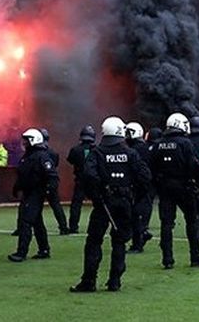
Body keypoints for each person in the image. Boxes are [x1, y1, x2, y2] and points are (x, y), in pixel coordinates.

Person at [71, 117, 152, 293]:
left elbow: (88, 175)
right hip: (124, 202)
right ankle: (115, 281)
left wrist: (96, 195)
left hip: (103, 204)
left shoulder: (97, 153)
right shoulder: (130, 153)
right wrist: (134, 197)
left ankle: (89, 281)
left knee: (93, 242)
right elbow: (145, 177)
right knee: (119, 242)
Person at [150, 113, 199, 269]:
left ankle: (167, 260)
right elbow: (194, 165)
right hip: (184, 187)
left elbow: (152, 167)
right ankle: (196, 257)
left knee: (166, 224)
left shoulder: (158, 144)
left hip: (165, 188)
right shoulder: (185, 143)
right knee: (192, 221)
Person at [10, 128, 54, 262]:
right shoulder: (29, 155)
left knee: (26, 221)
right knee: (36, 222)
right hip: (29, 192)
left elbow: (51, 176)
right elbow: (23, 175)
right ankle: (44, 249)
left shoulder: (41, 156)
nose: (24, 143)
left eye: (27, 140)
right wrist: (17, 187)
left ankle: (21, 252)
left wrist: (47, 191)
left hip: (35, 193)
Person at [125, 122, 153, 252]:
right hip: (147, 186)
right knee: (138, 214)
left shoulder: (135, 150)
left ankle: (138, 243)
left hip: (139, 187)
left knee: (136, 215)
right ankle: (142, 234)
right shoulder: (146, 148)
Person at [66, 126, 97, 235]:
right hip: (94, 181)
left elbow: (70, 160)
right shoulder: (96, 149)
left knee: (76, 205)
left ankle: (73, 227)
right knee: (99, 204)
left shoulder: (75, 149)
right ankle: (99, 225)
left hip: (80, 180)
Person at [39, 128, 71, 235]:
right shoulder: (54, 153)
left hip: (40, 183)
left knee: (32, 205)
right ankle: (63, 227)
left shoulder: (37, 153)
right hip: (51, 182)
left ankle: (22, 228)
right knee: (56, 205)